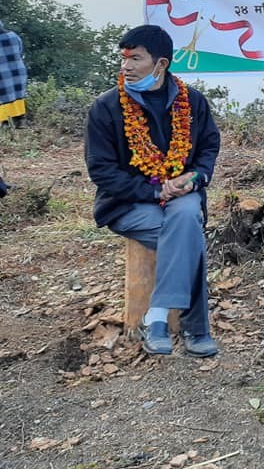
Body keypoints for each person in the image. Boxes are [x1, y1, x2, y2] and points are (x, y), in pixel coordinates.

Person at [84, 25, 220, 357]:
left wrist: (194, 179)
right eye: (123, 59)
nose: (125, 67)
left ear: (161, 64)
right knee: (188, 234)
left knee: (186, 216)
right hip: (128, 204)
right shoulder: (106, 107)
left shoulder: (193, 102)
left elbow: (208, 149)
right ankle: (196, 328)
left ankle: (157, 317)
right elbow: (101, 170)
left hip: (182, 194)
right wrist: (155, 191)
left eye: (135, 59)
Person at [0, 20, 28, 127]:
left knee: (4, 100)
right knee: (17, 96)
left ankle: (6, 124)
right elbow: (20, 51)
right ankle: (20, 121)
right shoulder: (13, 35)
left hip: (2, 76)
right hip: (18, 72)